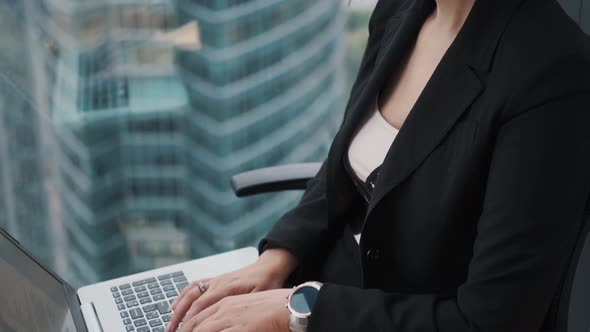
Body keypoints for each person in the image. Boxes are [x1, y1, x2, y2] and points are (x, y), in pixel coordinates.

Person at [166, 0, 590, 330]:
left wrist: (297, 309)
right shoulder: (402, 10)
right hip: (317, 296)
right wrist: (274, 261)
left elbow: (489, 321)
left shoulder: (552, 73)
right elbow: (343, 169)